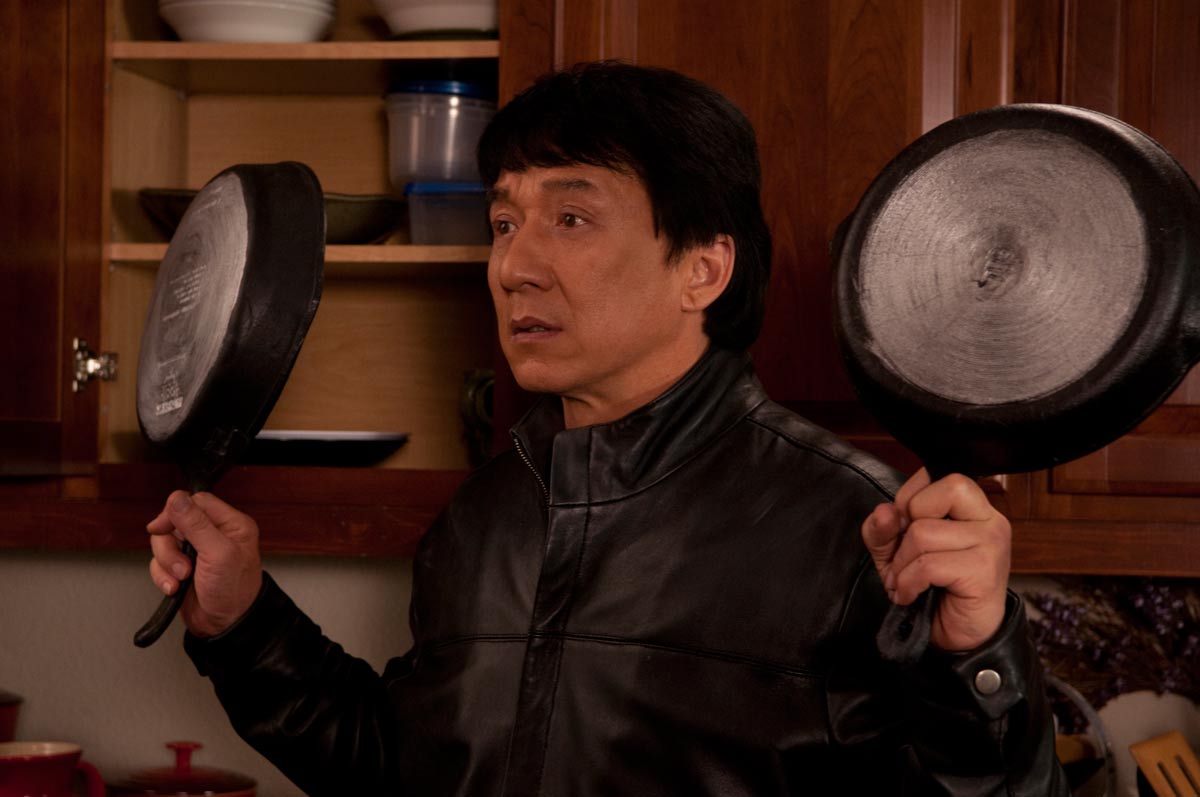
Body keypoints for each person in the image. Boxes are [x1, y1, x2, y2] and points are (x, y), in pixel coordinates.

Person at [146, 61, 1067, 795]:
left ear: (702, 269)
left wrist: (980, 657)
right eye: (503, 221)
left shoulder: (859, 527)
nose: (514, 264)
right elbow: (407, 771)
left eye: (572, 216)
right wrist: (244, 623)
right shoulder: (482, 517)